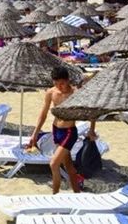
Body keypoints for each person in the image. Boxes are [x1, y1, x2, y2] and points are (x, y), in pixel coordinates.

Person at [27, 66, 96, 194]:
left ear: (68, 80)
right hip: (56, 130)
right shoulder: (51, 93)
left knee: (53, 164)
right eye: (57, 84)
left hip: (69, 132)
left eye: (62, 83)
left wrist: (92, 130)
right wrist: (35, 134)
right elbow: (43, 114)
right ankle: (77, 194)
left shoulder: (76, 93)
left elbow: (92, 111)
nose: (60, 86)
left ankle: (55, 195)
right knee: (68, 167)